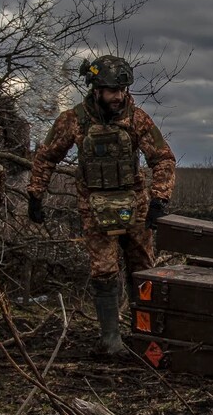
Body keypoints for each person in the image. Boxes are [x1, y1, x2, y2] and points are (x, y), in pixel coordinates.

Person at [27, 55, 176, 356]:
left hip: (135, 207)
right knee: (104, 272)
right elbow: (46, 156)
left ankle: (145, 335)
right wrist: (35, 194)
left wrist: (160, 198)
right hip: (94, 208)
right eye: (112, 90)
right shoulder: (75, 119)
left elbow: (163, 158)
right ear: (96, 89)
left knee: (143, 270)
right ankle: (111, 341)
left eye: (122, 90)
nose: (119, 96)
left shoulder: (137, 118)